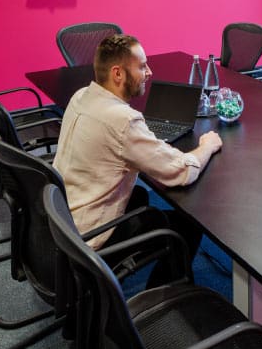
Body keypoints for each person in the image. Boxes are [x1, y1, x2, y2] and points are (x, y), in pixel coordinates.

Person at [53, 34, 222, 285]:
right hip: (89, 238)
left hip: (62, 219)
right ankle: (165, 299)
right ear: (118, 74)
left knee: (141, 198)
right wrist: (207, 146)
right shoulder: (123, 120)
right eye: (142, 66)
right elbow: (182, 172)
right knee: (187, 224)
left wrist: (147, 145)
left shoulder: (81, 96)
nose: (149, 72)